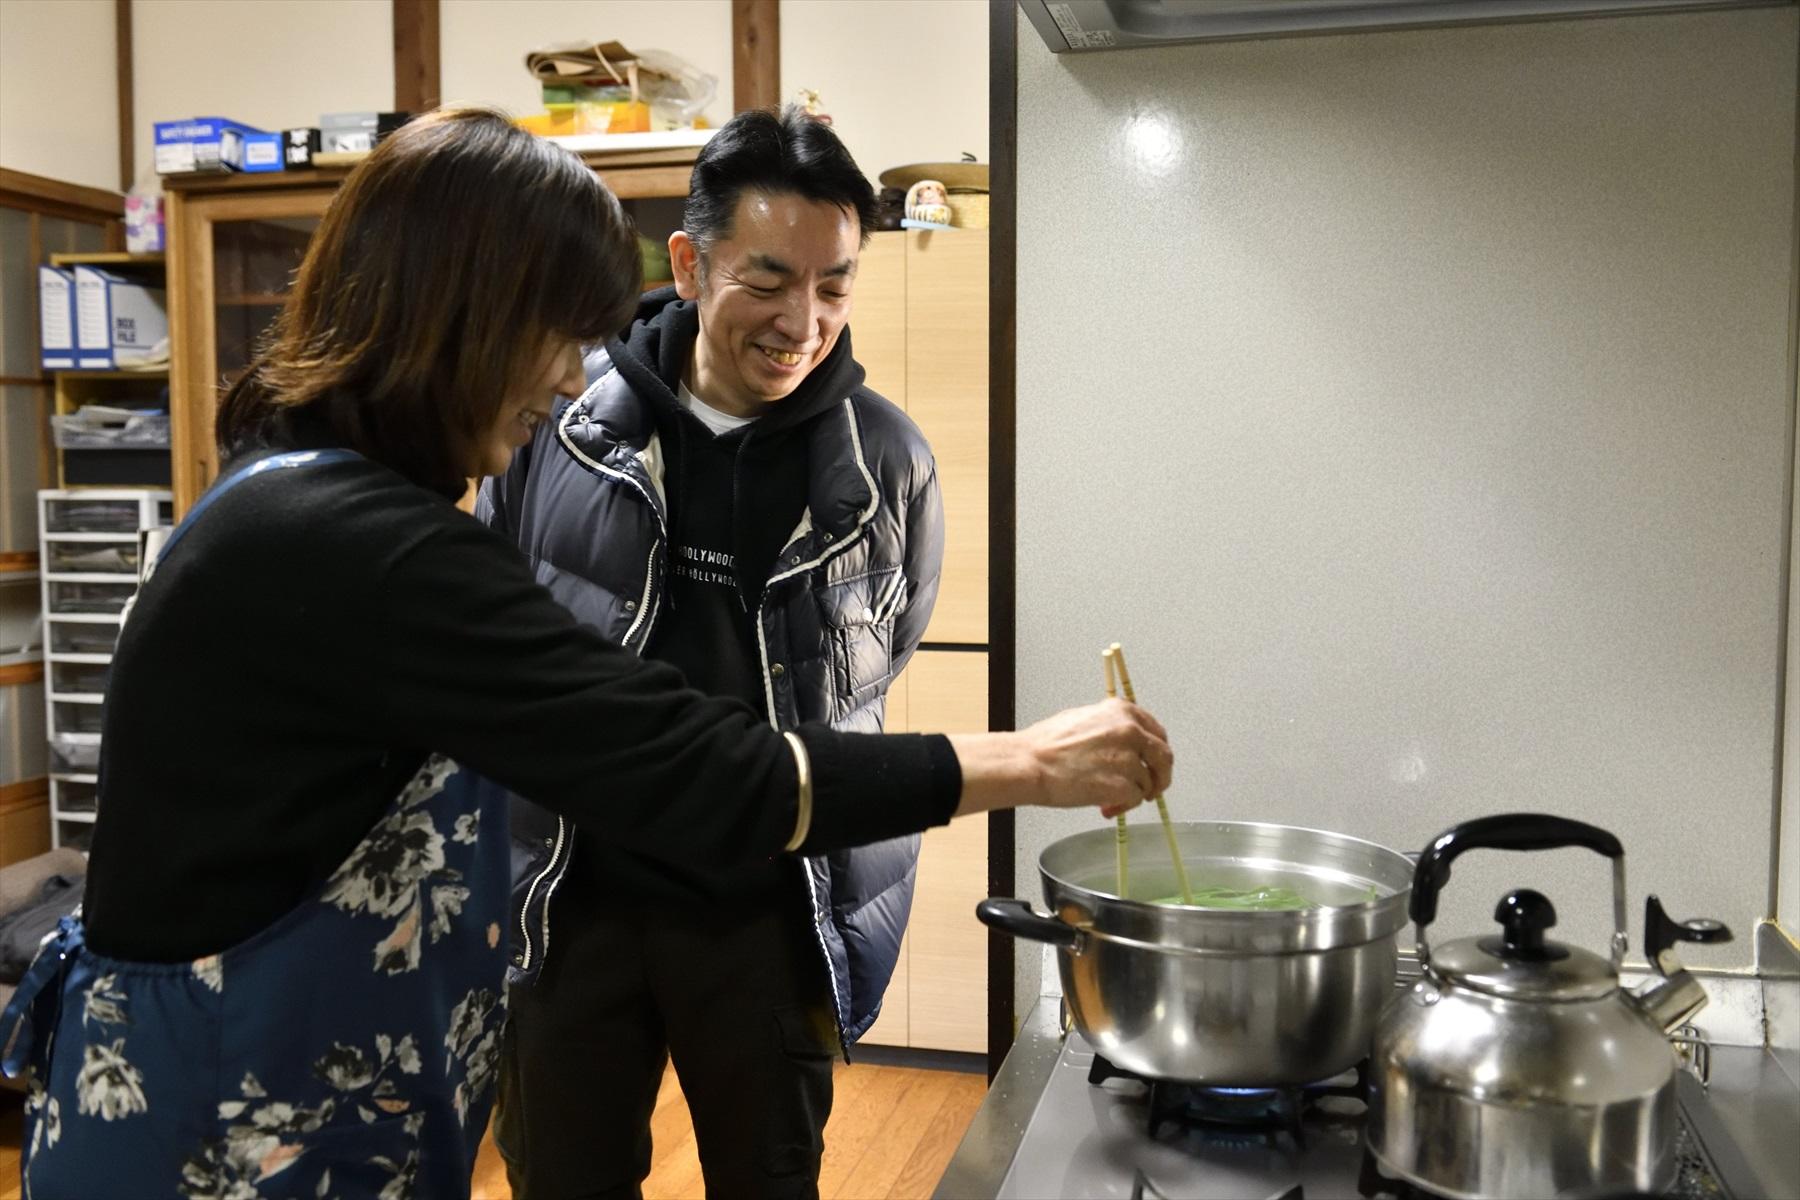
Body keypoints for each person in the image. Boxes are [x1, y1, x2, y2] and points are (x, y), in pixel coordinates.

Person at [0, 108, 1172, 1200]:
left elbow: (871, 647)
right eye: (558, 333)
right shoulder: (371, 545)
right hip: (229, 1111)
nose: (572, 374)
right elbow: (683, 761)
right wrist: (1026, 761)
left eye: (832, 286)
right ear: (459, 317)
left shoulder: (298, 489)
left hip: (297, 1076)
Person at [478, 106, 936, 1198]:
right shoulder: (565, 425)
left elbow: (890, 648)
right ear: (688, 265)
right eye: (768, 281)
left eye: (834, 288)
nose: (802, 322)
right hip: (572, 892)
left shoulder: (887, 462)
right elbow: (497, 632)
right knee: (563, 1180)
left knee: (770, 1181)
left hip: (772, 908)